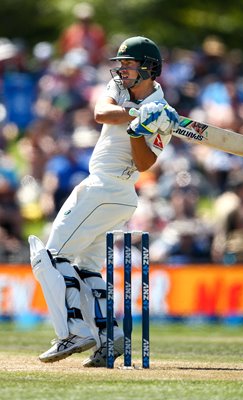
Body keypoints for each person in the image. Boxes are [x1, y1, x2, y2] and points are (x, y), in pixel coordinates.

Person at [29, 36, 179, 367]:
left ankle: (73, 332)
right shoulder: (122, 93)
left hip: (109, 188)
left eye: (128, 64)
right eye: (120, 64)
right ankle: (108, 337)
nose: (121, 70)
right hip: (110, 194)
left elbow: (144, 164)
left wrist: (142, 129)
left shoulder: (164, 113)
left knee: (49, 257)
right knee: (84, 267)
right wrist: (136, 112)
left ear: (148, 68)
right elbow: (100, 112)